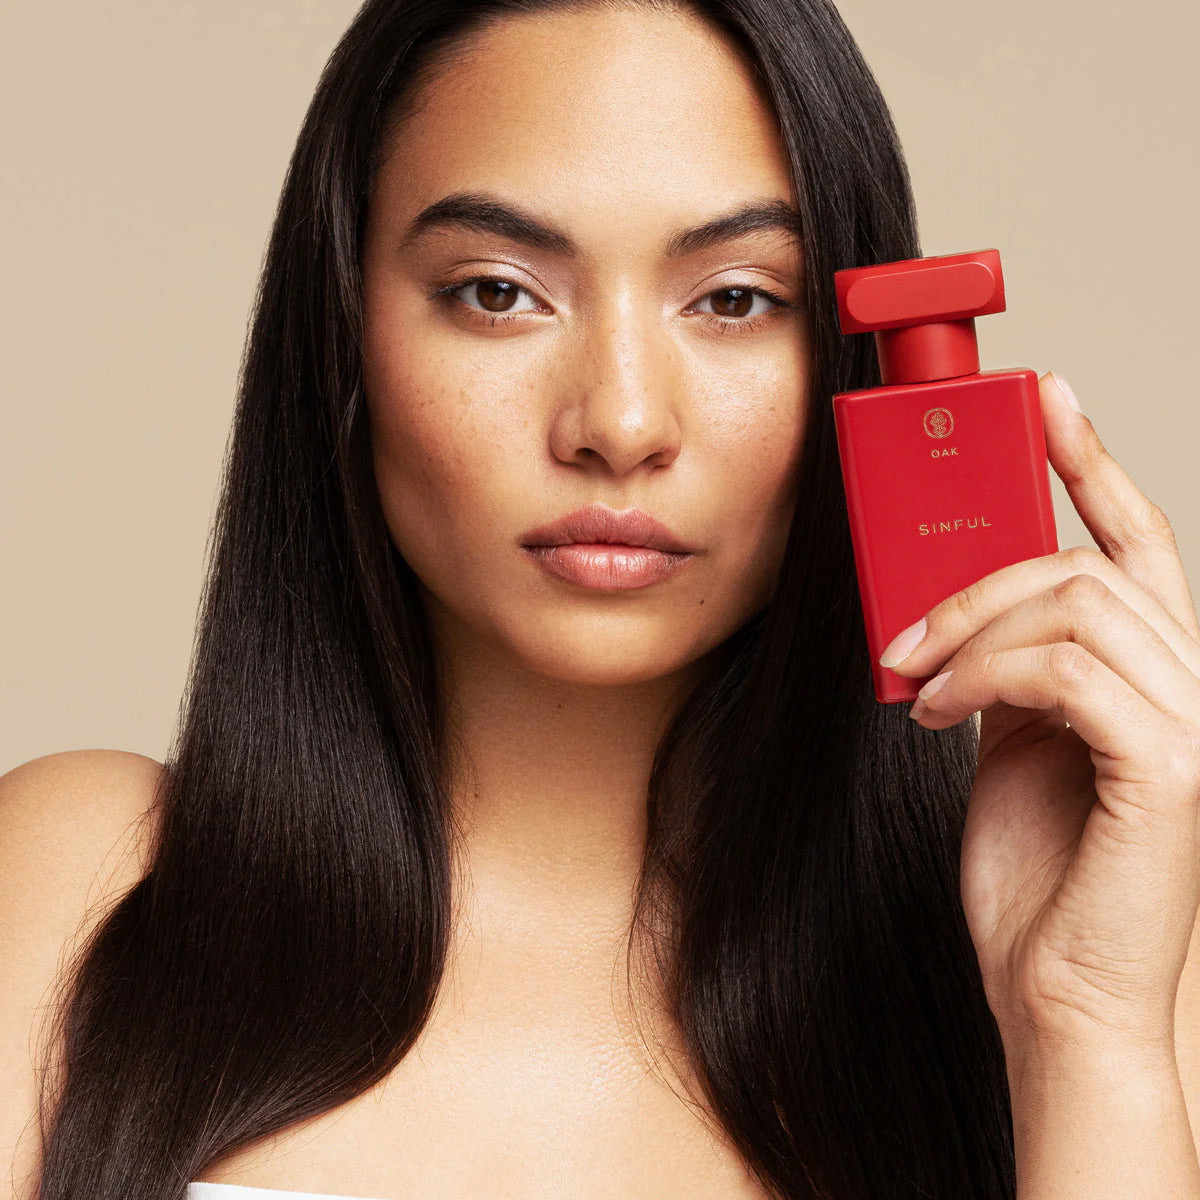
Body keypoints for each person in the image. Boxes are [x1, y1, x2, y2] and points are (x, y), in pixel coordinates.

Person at [5, 1, 1200, 1198]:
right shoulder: (83, 891)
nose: (621, 423)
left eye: (735, 299)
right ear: (344, 335)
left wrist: (1083, 1028)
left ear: (858, 362)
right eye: (496, 292)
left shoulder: (1091, 966)